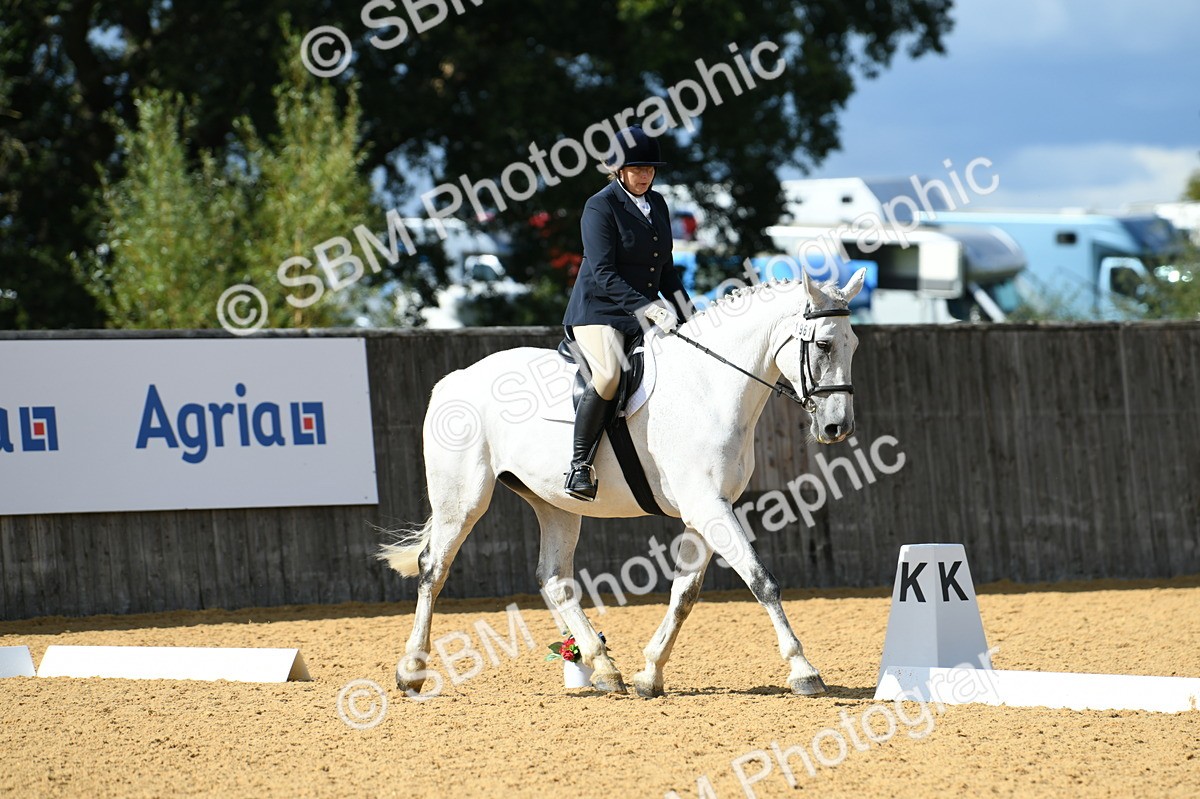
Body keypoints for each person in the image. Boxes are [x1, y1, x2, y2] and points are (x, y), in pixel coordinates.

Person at [561, 125, 693, 501]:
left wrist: (689, 314)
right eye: (637, 170)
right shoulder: (600, 206)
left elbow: (666, 270)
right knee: (608, 373)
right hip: (597, 311)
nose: (645, 176)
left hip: (641, 314)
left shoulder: (659, 205)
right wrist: (647, 307)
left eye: (650, 170)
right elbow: (603, 273)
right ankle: (579, 467)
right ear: (618, 170)